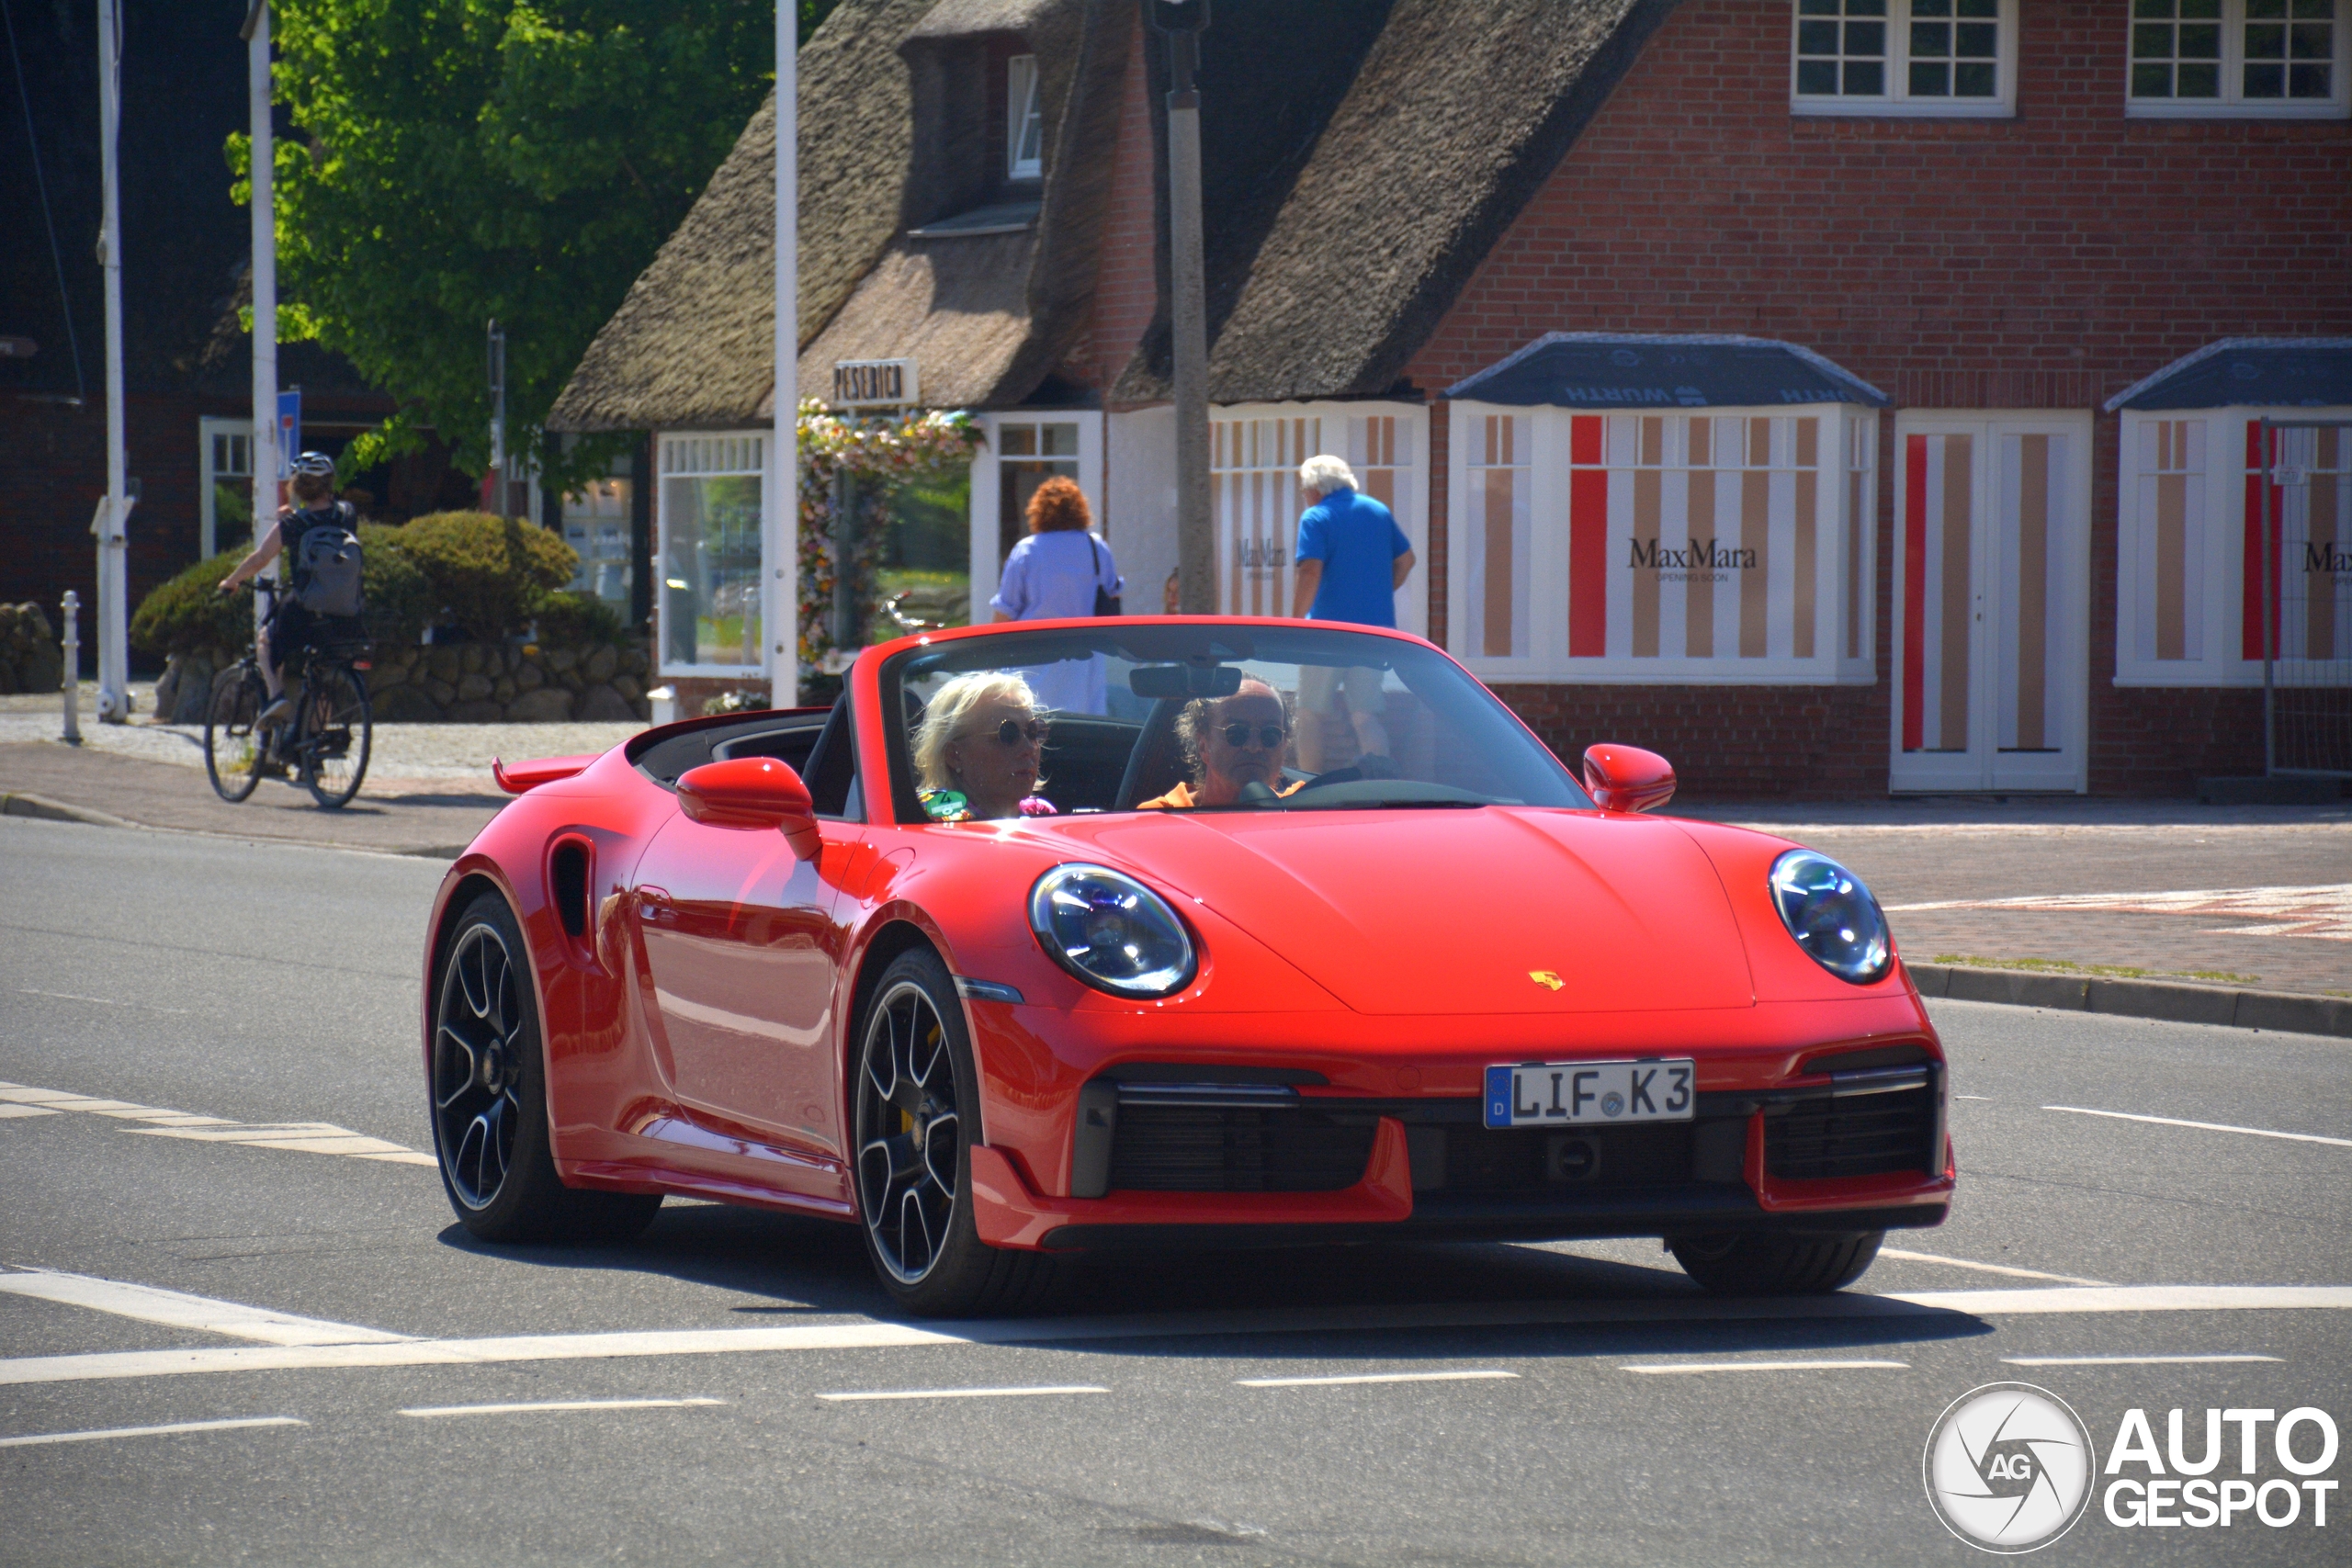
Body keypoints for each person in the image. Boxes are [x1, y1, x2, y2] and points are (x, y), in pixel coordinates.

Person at [1290, 455, 1414, 772]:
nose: (1304, 495)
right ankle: (1383, 782)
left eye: (1304, 489)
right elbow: (1406, 560)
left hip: (1326, 635)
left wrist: (1293, 622)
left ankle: (1308, 783)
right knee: (1365, 715)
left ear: (1316, 488)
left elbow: (1310, 572)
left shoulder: (1316, 517)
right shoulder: (1377, 511)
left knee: (1308, 713)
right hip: (1374, 634)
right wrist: (1380, 594)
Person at [216, 452, 358, 728]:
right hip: (347, 608)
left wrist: (230, 581)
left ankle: (276, 697)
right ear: (330, 483)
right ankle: (316, 745)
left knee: (266, 641)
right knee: (324, 670)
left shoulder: (294, 524)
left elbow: (260, 558)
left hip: (305, 606)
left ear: (298, 486)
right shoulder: (348, 514)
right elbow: (325, 523)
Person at [989, 476, 1122, 715]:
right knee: (1082, 724)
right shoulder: (1096, 546)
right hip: (1083, 655)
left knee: (1033, 720)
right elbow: (1113, 595)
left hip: (1032, 653)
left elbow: (1005, 610)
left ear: (1038, 511)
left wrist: (990, 657)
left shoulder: (1028, 549)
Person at [911, 671, 1057, 821]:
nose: (1029, 748)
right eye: (1007, 734)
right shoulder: (939, 816)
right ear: (955, 755)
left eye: (1033, 731)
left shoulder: (1040, 814)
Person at [1139, 679, 1304, 809]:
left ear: (1284, 746)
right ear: (1203, 746)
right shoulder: (1159, 817)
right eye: (1236, 733)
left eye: (1270, 734)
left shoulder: (1303, 809)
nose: (1254, 747)